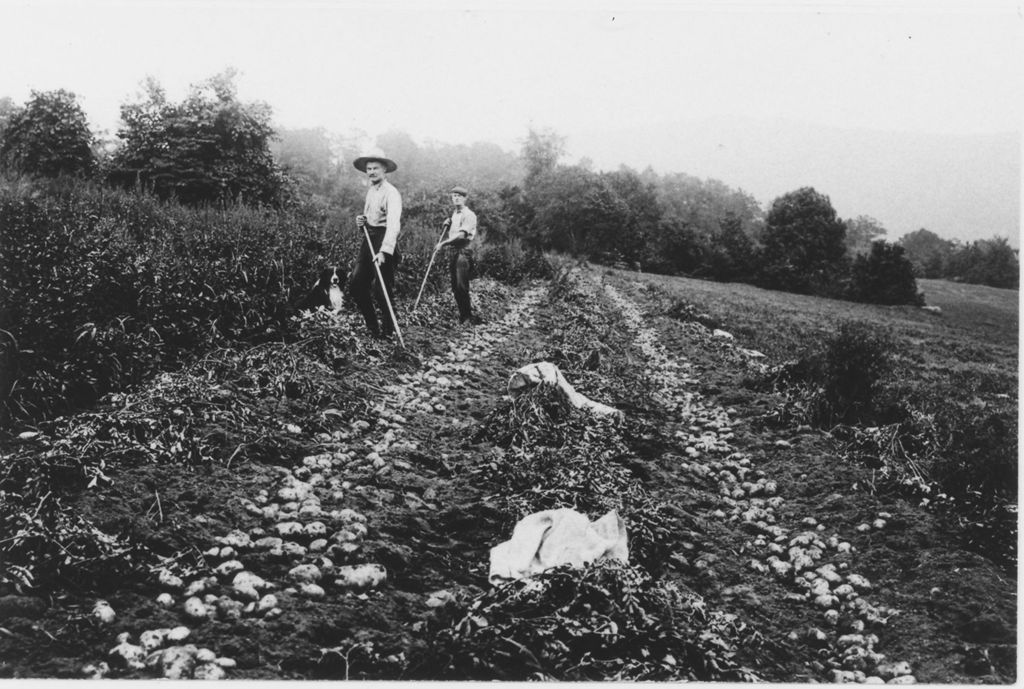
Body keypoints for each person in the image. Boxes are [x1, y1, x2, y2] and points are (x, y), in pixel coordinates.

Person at [350, 153, 402, 338]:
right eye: (369, 169)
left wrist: (384, 251)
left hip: (384, 240)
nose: (371, 172)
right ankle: (373, 328)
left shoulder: (391, 193)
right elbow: (370, 217)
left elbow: (393, 224)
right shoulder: (371, 191)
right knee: (356, 284)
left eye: (375, 168)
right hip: (369, 240)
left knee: (382, 291)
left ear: (384, 170)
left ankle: (390, 333)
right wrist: (362, 220)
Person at [437, 185, 480, 324]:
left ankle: (468, 317)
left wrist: (443, 243)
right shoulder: (454, 215)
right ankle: (463, 315)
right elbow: (454, 232)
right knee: (455, 286)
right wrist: (448, 224)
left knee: (462, 285)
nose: (456, 198)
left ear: (465, 198)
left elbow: (461, 236)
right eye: (454, 195)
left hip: (464, 251)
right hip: (454, 251)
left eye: (459, 196)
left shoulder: (469, 215)